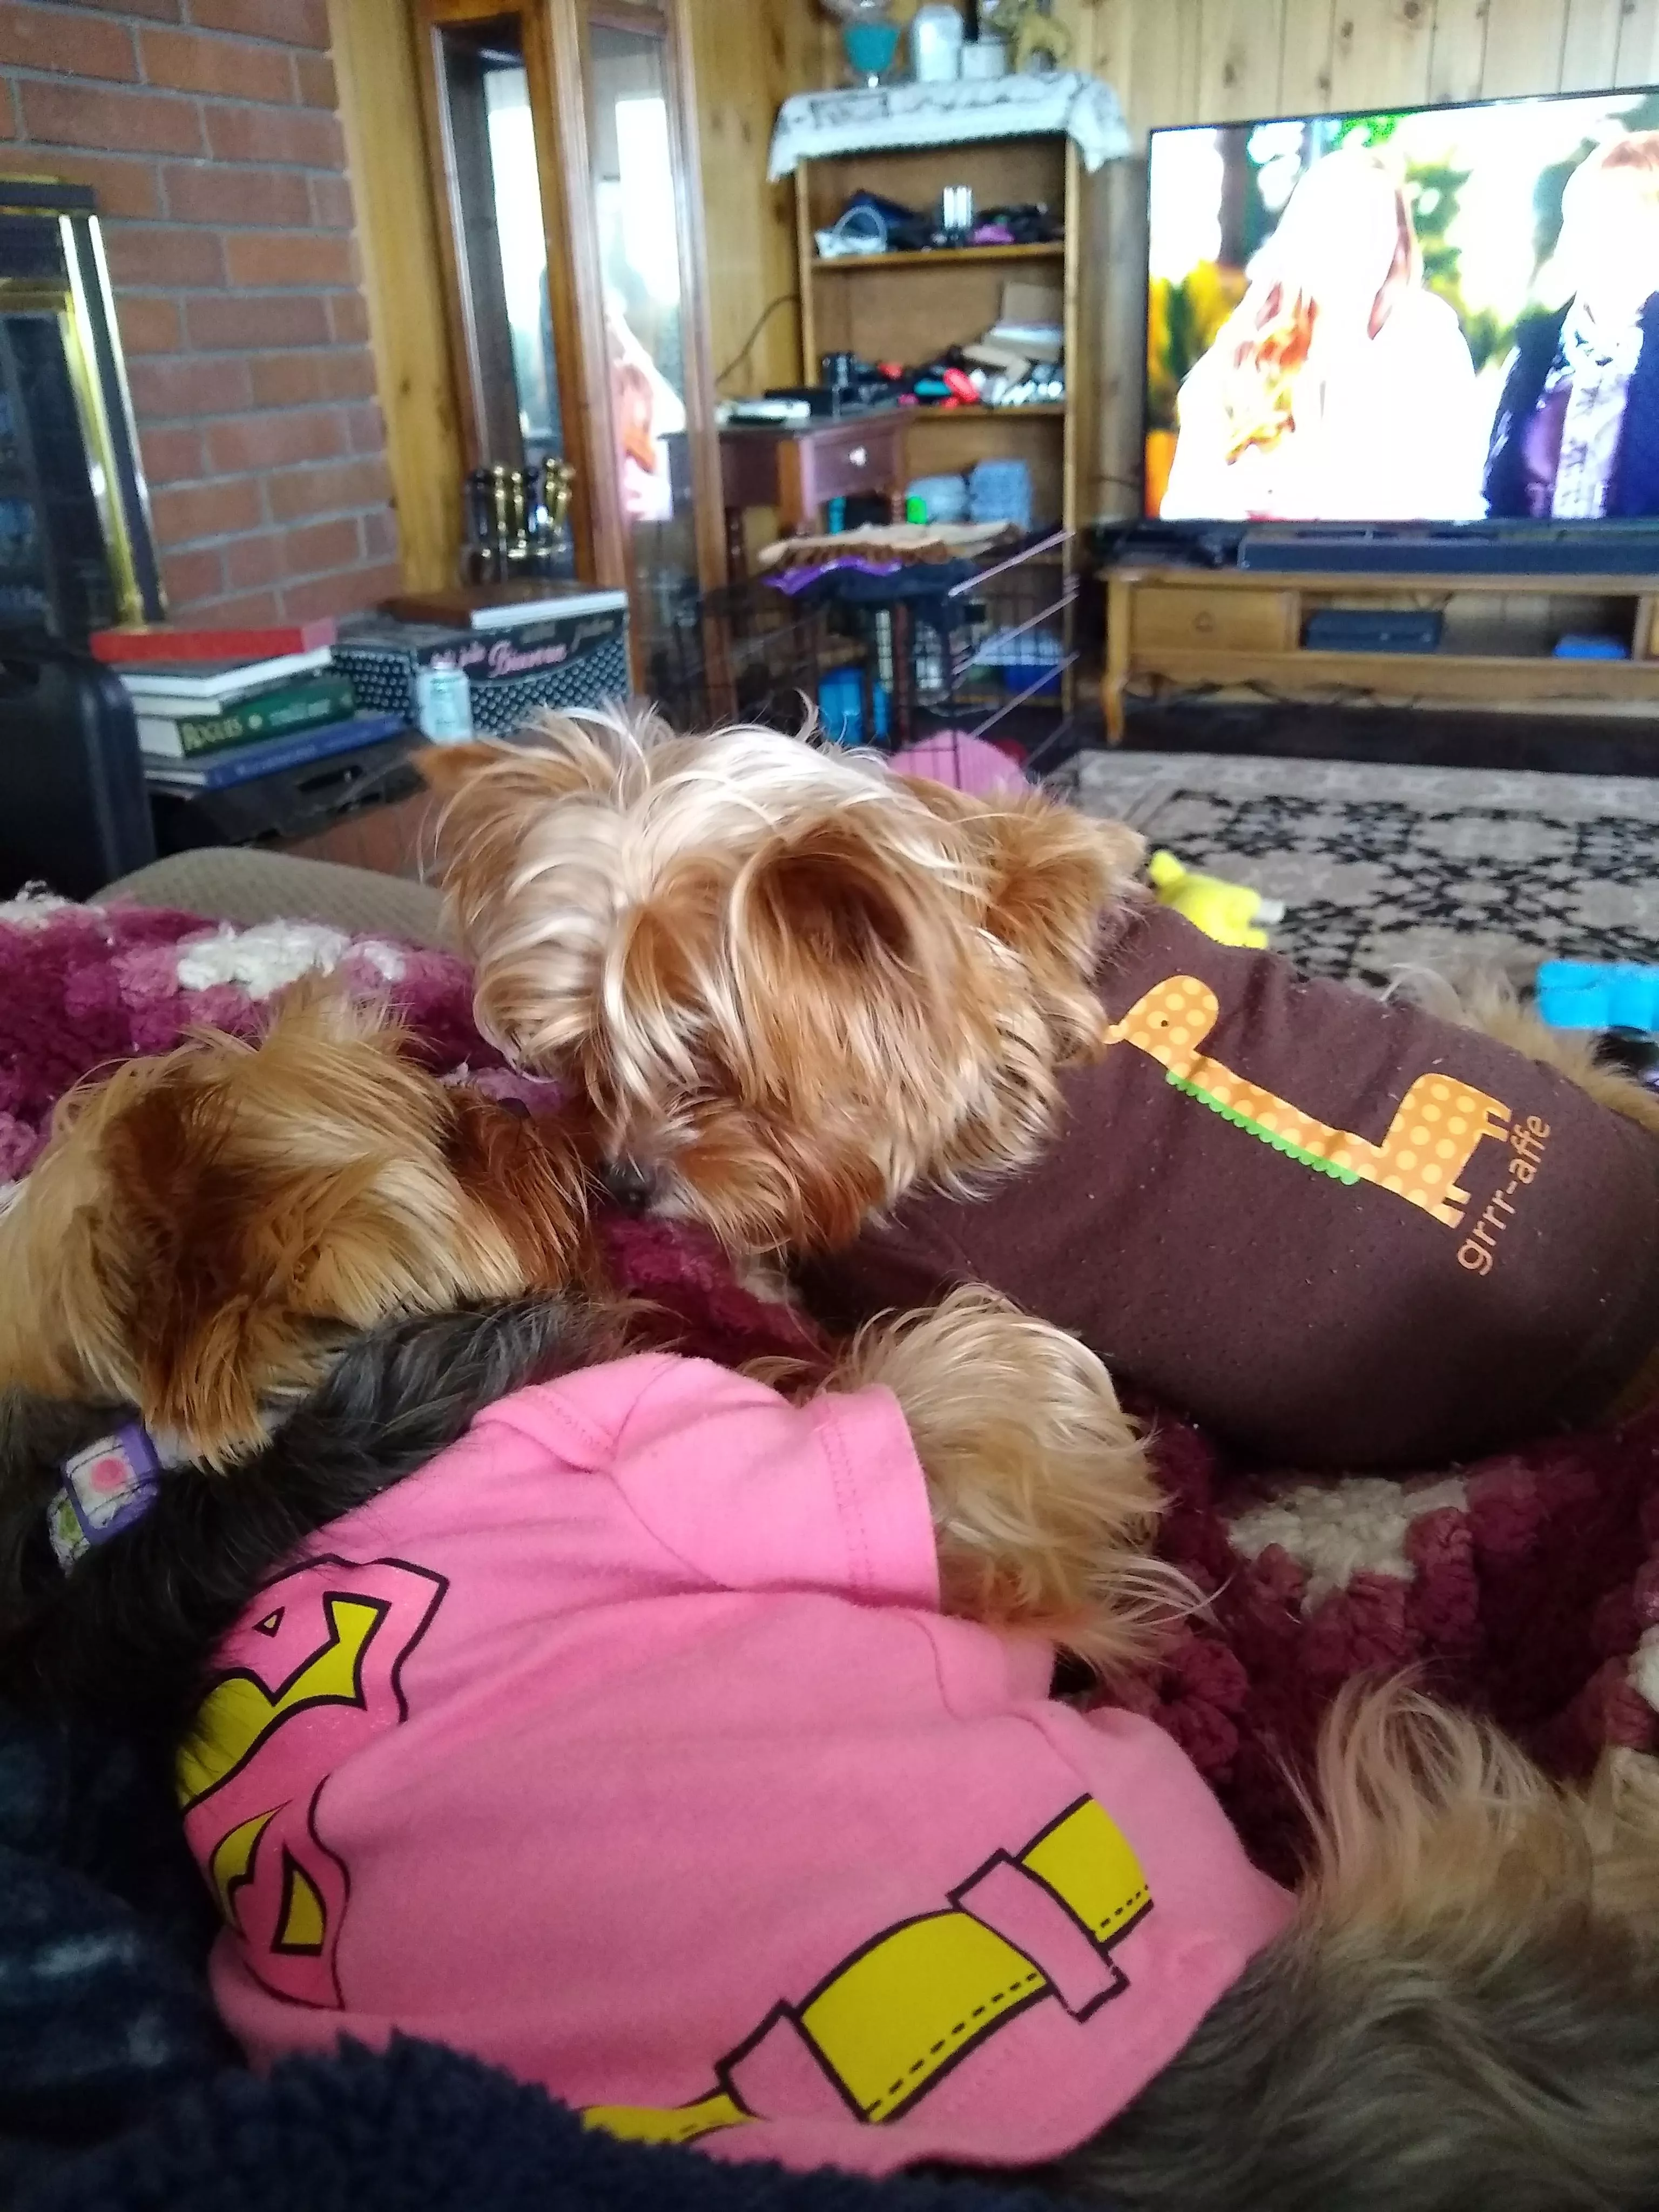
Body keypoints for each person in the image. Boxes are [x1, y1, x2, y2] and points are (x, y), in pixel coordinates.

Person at [1159, 146, 1481, 522]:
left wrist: (1314, 505)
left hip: (1391, 576)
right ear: (1300, 238)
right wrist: (1239, 505)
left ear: (1396, 244)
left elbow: (1454, 501)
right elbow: (1183, 508)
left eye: (1372, 228)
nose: (1354, 247)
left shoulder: (1429, 341)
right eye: (1337, 226)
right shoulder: (1241, 352)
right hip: (1261, 576)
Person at [1484, 132, 1659, 520]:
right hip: (1521, 579)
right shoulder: (1534, 354)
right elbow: (1494, 500)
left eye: (1620, 219)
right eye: (1582, 218)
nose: (1590, 236)